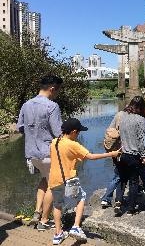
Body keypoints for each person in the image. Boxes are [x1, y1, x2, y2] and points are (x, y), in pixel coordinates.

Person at [49, 118, 120, 245]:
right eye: (78, 133)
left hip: (54, 179)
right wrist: (111, 154)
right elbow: (91, 157)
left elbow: (62, 156)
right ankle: (76, 227)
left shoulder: (54, 142)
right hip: (68, 179)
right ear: (74, 132)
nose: (78, 135)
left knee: (57, 205)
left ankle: (58, 234)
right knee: (81, 197)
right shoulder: (73, 144)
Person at [17, 75, 63, 230]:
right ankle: (44, 221)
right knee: (53, 186)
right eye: (57, 91)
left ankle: (37, 212)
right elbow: (58, 133)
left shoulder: (26, 104)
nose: (57, 94)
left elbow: (20, 128)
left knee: (44, 180)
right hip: (48, 153)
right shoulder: (52, 106)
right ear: (52, 89)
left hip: (32, 154)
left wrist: (33, 135)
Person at [115, 96, 145, 217]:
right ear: (142, 107)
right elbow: (141, 140)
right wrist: (144, 156)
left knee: (122, 180)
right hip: (134, 155)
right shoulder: (140, 120)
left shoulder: (123, 117)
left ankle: (118, 202)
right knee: (133, 182)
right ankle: (131, 209)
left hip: (122, 154)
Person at [100, 110, 124, 208]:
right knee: (118, 176)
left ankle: (118, 199)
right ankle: (107, 198)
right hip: (122, 150)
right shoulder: (130, 117)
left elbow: (109, 131)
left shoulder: (118, 114)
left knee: (119, 174)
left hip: (114, 149)